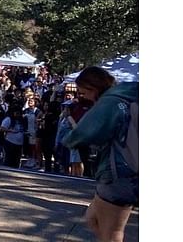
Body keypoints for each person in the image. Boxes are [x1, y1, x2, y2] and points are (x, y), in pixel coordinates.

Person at [63, 66, 137, 242]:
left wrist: (68, 140)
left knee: (111, 233)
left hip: (119, 170)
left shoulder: (110, 102)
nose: (83, 98)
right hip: (128, 169)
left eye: (83, 93)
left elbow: (84, 133)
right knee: (93, 217)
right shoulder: (131, 92)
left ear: (92, 89)